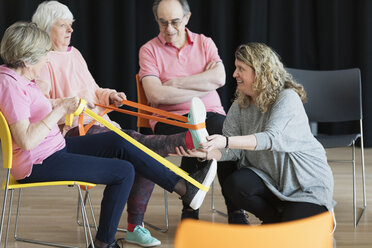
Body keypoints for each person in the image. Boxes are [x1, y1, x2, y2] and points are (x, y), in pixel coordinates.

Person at [0, 21, 217, 248]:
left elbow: (35, 110)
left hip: (52, 148)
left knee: (118, 140)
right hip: (38, 162)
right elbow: (26, 140)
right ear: (26, 61)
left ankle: (183, 188)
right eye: (44, 55)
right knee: (124, 171)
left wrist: (62, 103)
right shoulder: (11, 86)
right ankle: (105, 243)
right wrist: (59, 110)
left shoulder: (16, 78)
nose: (46, 60)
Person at [176, 42, 335, 224]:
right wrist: (205, 153)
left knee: (293, 237)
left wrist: (226, 141)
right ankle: (275, 220)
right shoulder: (240, 105)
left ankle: (314, 216)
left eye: (241, 69)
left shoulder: (287, 98)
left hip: (305, 187)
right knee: (235, 185)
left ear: (260, 71)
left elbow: (271, 138)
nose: (235, 74)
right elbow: (232, 152)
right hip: (269, 181)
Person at [139, 0, 245, 223]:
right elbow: (156, 96)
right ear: (156, 20)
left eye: (175, 22)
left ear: (186, 18)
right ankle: (190, 209)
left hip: (212, 113)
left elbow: (220, 78)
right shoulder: (149, 50)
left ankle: (235, 210)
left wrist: (175, 83)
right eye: (163, 23)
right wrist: (203, 85)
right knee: (194, 132)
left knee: (223, 136)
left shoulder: (204, 43)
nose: (169, 29)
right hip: (169, 118)